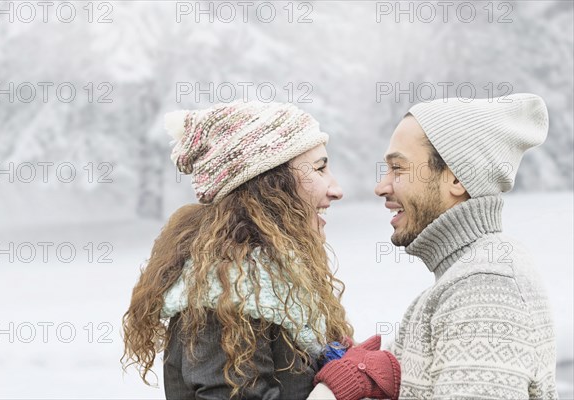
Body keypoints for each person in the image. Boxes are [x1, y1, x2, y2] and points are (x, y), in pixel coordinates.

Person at [121, 100, 399, 400]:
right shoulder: (223, 297)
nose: (336, 189)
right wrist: (335, 388)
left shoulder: (270, 287)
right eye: (320, 169)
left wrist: (334, 362)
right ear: (270, 185)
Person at [373, 93, 558, 399]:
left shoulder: (487, 286)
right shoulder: (455, 281)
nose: (381, 186)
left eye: (398, 169)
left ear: (456, 178)